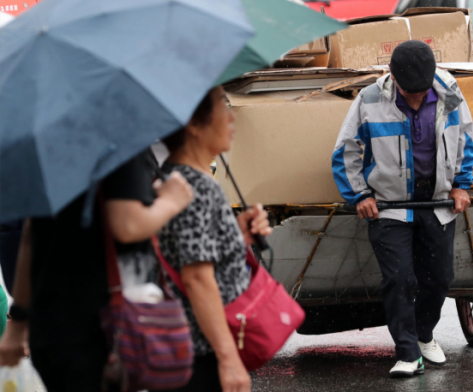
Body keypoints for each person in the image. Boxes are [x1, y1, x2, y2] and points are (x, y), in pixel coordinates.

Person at [332, 41, 473, 378]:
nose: (415, 99)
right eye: (408, 92)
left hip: (437, 202)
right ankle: (408, 353)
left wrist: (461, 184)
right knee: (398, 279)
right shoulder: (369, 100)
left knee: (440, 279)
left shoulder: (451, 95)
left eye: (421, 92)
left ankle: (424, 334)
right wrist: (360, 195)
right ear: (392, 78)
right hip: (389, 206)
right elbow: (345, 151)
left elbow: (465, 141)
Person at [0, 149, 194, 392]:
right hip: (103, 329)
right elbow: (127, 225)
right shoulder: (118, 143)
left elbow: (30, 236)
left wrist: (18, 324)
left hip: (50, 323)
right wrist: (170, 201)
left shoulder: (46, 148)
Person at [155, 86, 272, 392]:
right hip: (201, 354)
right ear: (193, 124)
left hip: (186, 351)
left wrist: (237, 234)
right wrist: (229, 359)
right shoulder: (194, 187)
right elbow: (196, 278)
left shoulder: (178, 177)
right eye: (222, 106)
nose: (232, 117)